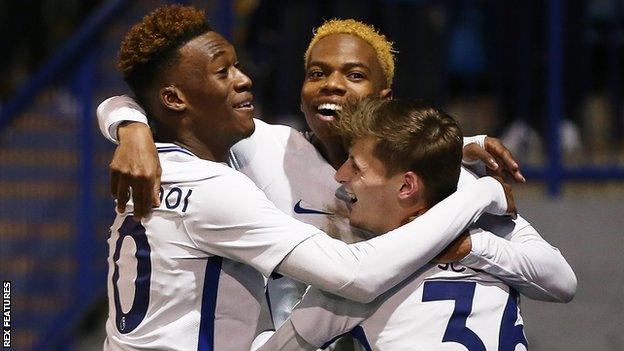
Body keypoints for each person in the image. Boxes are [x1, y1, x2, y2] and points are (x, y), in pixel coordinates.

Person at [98, 17, 576, 324]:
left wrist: (474, 245)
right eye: (317, 73)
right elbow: (151, 98)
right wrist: (131, 126)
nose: (331, 87)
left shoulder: (443, 179)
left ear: (383, 97)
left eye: (354, 75)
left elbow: (559, 280)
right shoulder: (263, 148)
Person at [260, 98, 542, 350]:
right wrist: (486, 192)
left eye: (356, 166)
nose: (340, 175)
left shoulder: (352, 283)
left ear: (407, 186)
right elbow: (561, 280)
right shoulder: (489, 232)